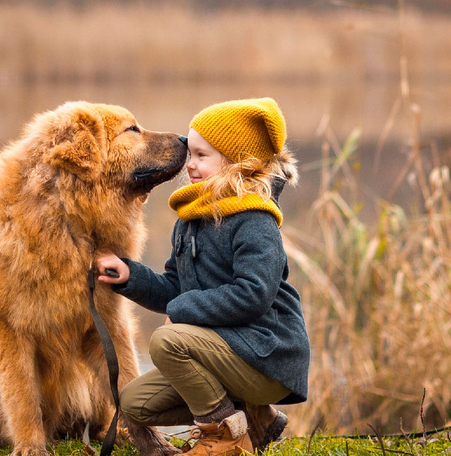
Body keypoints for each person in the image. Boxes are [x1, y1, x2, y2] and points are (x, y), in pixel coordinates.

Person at [95, 97, 310, 456]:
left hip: (266, 355)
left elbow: (253, 294)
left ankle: (229, 435)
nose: (188, 164)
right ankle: (253, 417)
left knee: (167, 341)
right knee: (134, 402)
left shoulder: (256, 221)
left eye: (200, 156)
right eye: (190, 154)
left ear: (236, 163)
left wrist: (182, 309)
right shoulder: (191, 219)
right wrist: (129, 275)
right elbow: (175, 289)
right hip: (228, 352)